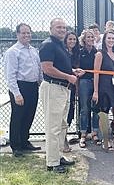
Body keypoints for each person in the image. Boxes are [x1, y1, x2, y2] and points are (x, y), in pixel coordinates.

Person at [39, 18, 84, 173]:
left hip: (63, 89)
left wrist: (72, 72)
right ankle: (52, 163)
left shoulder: (60, 45)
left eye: (64, 27)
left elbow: (61, 67)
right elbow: (47, 68)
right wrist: (67, 77)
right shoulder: (48, 45)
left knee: (62, 125)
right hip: (53, 88)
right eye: (58, 27)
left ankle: (58, 156)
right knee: (53, 127)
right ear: (51, 28)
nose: (62, 30)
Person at [4, 23, 43, 157]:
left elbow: (39, 68)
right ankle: (16, 146)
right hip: (20, 86)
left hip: (33, 86)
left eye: (28, 33)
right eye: (23, 33)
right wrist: (17, 93)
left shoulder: (33, 50)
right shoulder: (12, 52)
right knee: (18, 116)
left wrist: (40, 82)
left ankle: (25, 141)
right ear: (17, 34)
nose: (27, 35)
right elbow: (10, 75)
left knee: (29, 115)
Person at [92, 30, 114, 149]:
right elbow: (96, 73)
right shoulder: (100, 54)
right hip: (104, 87)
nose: (111, 40)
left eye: (113, 38)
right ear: (104, 40)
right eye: (109, 38)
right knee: (104, 114)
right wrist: (96, 91)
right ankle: (105, 140)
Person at [78, 29, 99, 148]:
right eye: (88, 37)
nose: (90, 39)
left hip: (95, 82)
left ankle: (95, 132)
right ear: (84, 39)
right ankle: (83, 134)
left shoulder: (97, 52)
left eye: (92, 37)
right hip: (84, 82)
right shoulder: (80, 52)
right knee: (85, 109)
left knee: (96, 107)